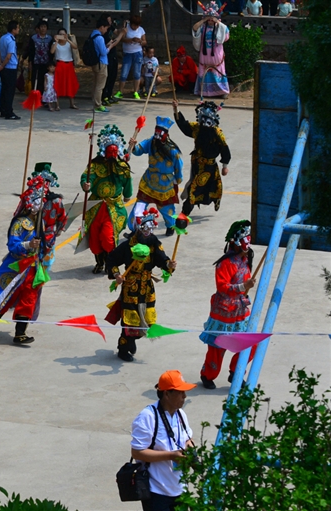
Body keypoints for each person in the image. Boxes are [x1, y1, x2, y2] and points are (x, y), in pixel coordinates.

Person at [0, 176, 49, 344]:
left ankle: (20, 333)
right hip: (17, 265)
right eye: (37, 202)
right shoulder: (20, 223)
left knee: (28, 298)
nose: (40, 205)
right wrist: (28, 244)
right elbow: (12, 244)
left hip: (33, 267)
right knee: (8, 294)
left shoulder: (40, 223)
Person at [106, 208, 177, 362]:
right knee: (130, 318)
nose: (148, 232)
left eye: (151, 229)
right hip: (130, 286)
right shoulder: (127, 246)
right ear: (139, 228)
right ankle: (124, 347)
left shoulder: (154, 244)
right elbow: (111, 259)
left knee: (147, 318)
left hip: (147, 287)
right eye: (145, 229)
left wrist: (169, 265)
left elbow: (162, 260)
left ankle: (132, 340)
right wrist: (117, 275)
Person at [199, 220, 257, 389]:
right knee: (218, 346)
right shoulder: (225, 264)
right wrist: (243, 286)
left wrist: (244, 288)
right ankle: (208, 374)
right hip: (224, 311)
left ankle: (236, 372)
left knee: (249, 342)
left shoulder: (245, 259)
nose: (247, 247)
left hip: (240, 309)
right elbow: (222, 287)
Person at [130, 370, 195, 510]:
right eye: (180, 392)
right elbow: (137, 452)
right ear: (166, 394)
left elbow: (188, 439)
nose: (184, 396)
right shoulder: (148, 416)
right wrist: (171, 455)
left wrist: (190, 450)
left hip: (180, 488)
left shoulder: (181, 414)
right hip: (157, 492)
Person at [80, 125, 133, 273]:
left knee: (108, 237)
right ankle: (100, 262)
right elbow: (86, 176)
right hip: (96, 206)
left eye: (115, 151)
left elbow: (127, 183)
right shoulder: (95, 165)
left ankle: (111, 263)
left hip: (113, 207)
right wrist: (86, 184)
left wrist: (127, 194)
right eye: (110, 151)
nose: (112, 153)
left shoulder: (122, 167)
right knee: (95, 239)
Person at [127, 117, 184, 237]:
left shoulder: (173, 151)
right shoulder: (151, 142)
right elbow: (139, 150)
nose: (157, 136)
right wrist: (133, 146)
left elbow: (179, 167)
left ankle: (170, 226)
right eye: (156, 132)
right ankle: (135, 229)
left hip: (164, 185)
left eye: (160, 133)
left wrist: (177, 180)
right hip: (149, 181)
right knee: (139, 208)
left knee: (166, 210)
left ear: (166, 134)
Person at [173, 99, 231, 216]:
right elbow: (184, 125)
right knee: (194, 186)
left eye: (208, 120)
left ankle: (186, 212)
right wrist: (176, 109)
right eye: (203, 119)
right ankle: (186, 211)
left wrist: (225, 166)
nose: (205, 122)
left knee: (202, 187)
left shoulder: (217, 133)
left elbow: (224, 149)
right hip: (196, 163)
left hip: (209, 167)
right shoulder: (197, 128)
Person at [31, 163, 68, 269]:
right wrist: (59, 230)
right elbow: (63, 218)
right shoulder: (57, 201)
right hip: (45, 237)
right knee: (41, 271)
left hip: (37, 237)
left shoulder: (30, 199)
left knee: (33, 270)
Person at [192, 2, 231, 98]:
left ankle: (222, 91)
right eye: (208, 18)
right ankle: (204, 92)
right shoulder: (203, 27)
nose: (210, 20)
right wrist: (204, 20)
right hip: (205, 55)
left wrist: (217, 21)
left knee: (218, 73)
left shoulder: (220, 27)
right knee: (204, 73)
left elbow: (226, 34)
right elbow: (194, 28)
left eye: (212, 18)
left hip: (216, 56)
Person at [115, 15, 146, 100]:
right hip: (127, 53)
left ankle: (136, 91)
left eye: (137, 25)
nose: (136, 27)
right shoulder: (126, 28)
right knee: (124, 73)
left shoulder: (141, 29)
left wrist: (140, 41)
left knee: (137, 73)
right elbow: (122, 39)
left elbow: (144, 41)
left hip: (137, 53)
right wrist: (131, 40)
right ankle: (120, 91)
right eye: (134, 25)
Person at [0, 20, 20, 120]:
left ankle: (3, 109)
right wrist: (3, 65)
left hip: (4, 67)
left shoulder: (2, 38)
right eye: (18, 28)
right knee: (9, 91)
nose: (18, 30)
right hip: (10, 68)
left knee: (4, 89)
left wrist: (0, 64)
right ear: (13, 29)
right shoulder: (11, 40)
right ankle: (9, 112)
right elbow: (9, 56)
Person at [51, 28, 79, 109]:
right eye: (60, 34)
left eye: (63, 34)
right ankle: (57, 105)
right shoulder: (55, 43)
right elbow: (52, 51)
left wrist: (68, 40)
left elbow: (75, 47)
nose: (62, 36)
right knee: (58, 84)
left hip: (69, 65)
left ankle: (72, 103)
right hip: (60, 64)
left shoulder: (68, 43)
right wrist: (56, 41)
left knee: (71, 84)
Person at [89, 16, 113, 113]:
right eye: (106, 28)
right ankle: (98, 104)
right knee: (100, 85)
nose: (106, 30)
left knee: (96, 84)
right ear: (102, 27)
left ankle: (95, 102)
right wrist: (110, 47)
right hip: (101, 63)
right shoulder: (99, 38)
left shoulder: (92, 35)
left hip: (95, 62)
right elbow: (103, 52)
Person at [101, 15, 125, 107]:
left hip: (113, 55)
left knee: (113, 75)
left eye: (111, 21)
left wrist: (122, 29)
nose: (110, 23)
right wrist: (121, 34)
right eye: (108, 21)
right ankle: (104, 96)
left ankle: (109, 94)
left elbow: (116, 32)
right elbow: (114, 42)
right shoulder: (103, 34)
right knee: (107, 76)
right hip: (107, 56)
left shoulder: (110, 27)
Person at [28, 20, 52, 94]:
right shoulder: (34, 38)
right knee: (35, 79)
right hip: (36, 62)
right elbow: (31, 51)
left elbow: (51, 51)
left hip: (46, 62)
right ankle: (35, 96)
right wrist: (30, 62)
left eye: (44, 27)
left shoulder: (50, 38)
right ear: (38, 28)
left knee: (44, 79)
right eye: (41, 27)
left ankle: (44, 97)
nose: (43, 29)